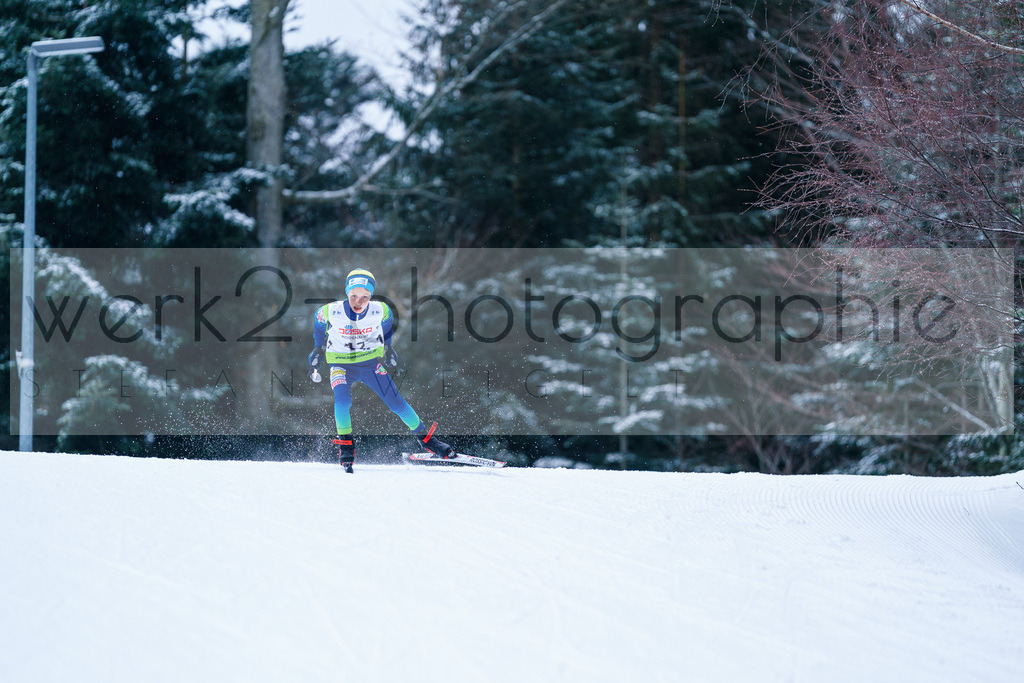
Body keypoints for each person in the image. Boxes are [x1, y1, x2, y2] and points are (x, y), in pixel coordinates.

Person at [308, 268, 454, 473]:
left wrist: (388, 347)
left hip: (369, 363)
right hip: (340, 364)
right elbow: (318, 326)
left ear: (371, 296)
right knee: (342, 401)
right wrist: (318, 347)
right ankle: (346, 448)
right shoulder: (330, 311)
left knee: (395, 402)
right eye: (354, 296)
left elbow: (386, 325)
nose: (359, 302)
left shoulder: (381, 309)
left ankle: (429, 441)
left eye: (365, 297)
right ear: (347, 293)